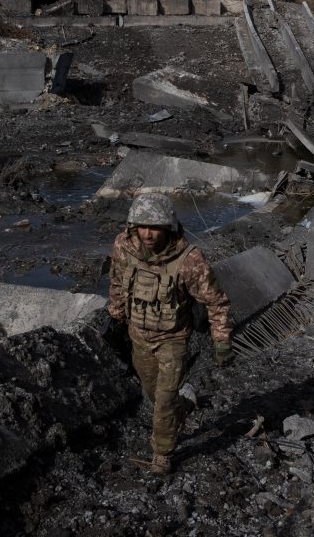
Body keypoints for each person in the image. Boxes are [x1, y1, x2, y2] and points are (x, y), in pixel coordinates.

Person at [107, 193, 234, 475]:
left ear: (168, 227)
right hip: (138, 336)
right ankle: (185, 404)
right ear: (133, 227)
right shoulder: (123, 247)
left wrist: (222, 340)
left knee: (163, 400)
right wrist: (115, 316)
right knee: (154, 394)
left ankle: (162, 454)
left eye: (155, 227)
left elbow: (216, 300)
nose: (148, 234)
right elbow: (117, 281)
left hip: (173, 340)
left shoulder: (189, 260)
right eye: (142, 226)